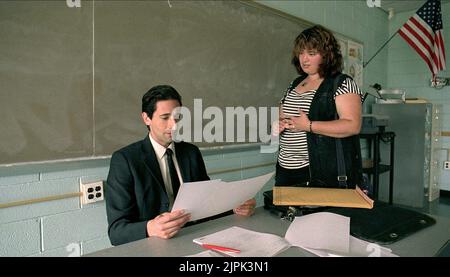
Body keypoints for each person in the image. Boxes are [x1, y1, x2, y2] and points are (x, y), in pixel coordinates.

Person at [105, 85, 256, 246]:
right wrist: (150, 228)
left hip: (196, 238)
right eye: (165, 118)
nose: (174, 126)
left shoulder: (191, 153)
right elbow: (116, 232)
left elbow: (207, 203)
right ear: (146, 118)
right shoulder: (125, 160)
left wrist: (234, 206)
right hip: (153, 247)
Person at [274, 25, 363, 188]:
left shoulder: (342, 83)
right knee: (286, 213)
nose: (304, 59)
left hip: (320, 172)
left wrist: (308, 125)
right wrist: (279, 123)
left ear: (326, 54)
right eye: (301, 53)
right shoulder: (294, 84)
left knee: (317, 214)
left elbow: (353, 125)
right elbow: (283, 116)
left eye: (311, 53)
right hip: (285, 169)